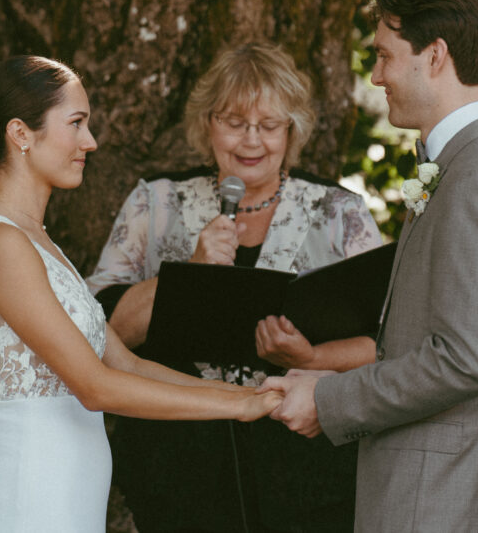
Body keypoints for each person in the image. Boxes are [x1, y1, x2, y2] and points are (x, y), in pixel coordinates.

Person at [0, 56, 282, 533]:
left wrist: (246, 393)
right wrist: (239, 408)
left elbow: (125, 364)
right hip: (31, 498)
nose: (90, 142)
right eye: (76, 124)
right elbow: (94, 387)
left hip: (68, 497)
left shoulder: (35, 240)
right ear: (20, 134)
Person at [261, 0, 478, 532]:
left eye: (384, 55)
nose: (376, 76)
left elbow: (464, 359)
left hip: (452, 501)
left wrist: (331, 399)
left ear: (435, 55)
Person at [86, 42, 383, 532]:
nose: (251, 141)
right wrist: (190, 275)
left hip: (306, 470)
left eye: (268, 126)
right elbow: (99, 334)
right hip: (178, 465)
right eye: (233, 122)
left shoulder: (339, 213)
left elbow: (386, 346)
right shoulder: (156, 203)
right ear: (207, 122)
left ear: (293, 129)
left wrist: (310, 357)